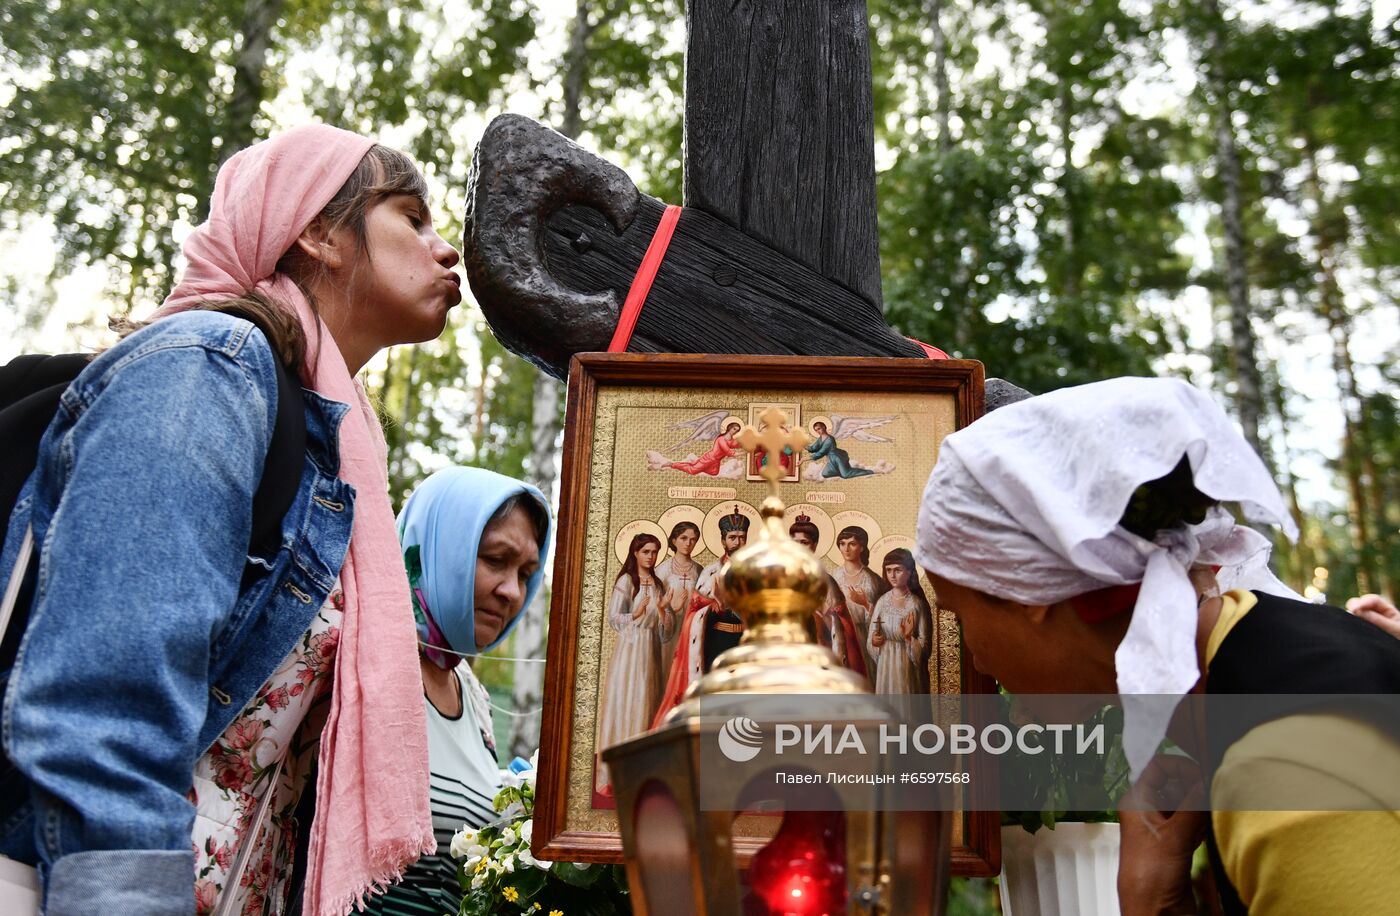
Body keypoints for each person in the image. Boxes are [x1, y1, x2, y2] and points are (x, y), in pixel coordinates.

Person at [0, 125, 460, 915]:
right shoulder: (210, 368)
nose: (444, 246)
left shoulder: (344, 449)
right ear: (318, 230)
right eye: (410, 216)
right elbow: (106, 708)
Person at [914, 376, 1400, 915]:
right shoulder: (1284, 658)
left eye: (960, 615)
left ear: (1028, 591)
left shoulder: (1289, 770)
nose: (974, 658)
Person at [362, 467, 550, 916]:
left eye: (526, 573)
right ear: (438, 550)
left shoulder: (472, 694)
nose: (513, 592)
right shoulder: (359, 659)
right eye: (495, 560)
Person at [651, 508, 749, 726]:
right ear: (723, 541)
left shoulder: (755, 573)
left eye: (742, 537)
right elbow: (694, 611)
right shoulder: (711, 572)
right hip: (717, 643)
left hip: (745, 644)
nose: (737, 542)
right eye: (732, 537)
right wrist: (714, 606)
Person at [597, 534, 669, 773]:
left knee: (647, 700)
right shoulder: (627, 581)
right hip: (629, 650)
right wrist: (635, 614)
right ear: (635, 553)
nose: (651, 556)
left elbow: (664, 631)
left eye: (654, 552)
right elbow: (614, 618)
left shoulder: (659, 585)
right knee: (629, 699)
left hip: (650, 649)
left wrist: (664, 613)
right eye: (646, 551)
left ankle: (641, 767)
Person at [788, 515, 867, 679]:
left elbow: (841, 625)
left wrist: (822, 611)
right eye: (795, 543)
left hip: (817, 650)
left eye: (804, 542)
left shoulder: (825, 582)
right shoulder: (782, 578)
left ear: (814, 545)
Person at [866, 548, 931, 694]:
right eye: (888, 570)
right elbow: (871, 637)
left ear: (909, 572)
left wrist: (908, 637)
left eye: (898, 570)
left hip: (907, 666)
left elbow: (925, 647)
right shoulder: (882, 602)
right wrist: (875, 641)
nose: (892, 575)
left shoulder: (916, 604)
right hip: (885, 665)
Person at [831, 525, 886, 672]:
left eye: (852, 544)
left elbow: (882, 620)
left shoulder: (872, 580)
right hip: (839, 637)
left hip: (863, 640)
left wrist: (864, 603)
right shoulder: (834, 576)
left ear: (861, 547)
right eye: (842, 544)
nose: (846, 549)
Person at [654, 521, 702, 666]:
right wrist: (671, 609)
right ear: (674, 540)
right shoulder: (662, 570)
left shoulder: (699, 570)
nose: (688, 543)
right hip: (668, 629)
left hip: (691, 628)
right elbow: (655, 605)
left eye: (692, 539)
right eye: (683, 538)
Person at [667, 422, 742, 476]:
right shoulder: (721, 439)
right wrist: (745, 452)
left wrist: (746, 443)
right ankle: (673, 464)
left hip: (716, 461)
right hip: (709, 458)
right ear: (729, 428)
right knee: (692, 471)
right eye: (734, 429)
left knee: (714, 473)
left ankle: (696, 464)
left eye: (737, 430)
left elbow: (735, 444)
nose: (735, 431)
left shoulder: (730, 440)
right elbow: (729, 453)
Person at [806, 420, 875, 479]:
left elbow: (821, 452)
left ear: (824, 427)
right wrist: (803, 445)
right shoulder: (820, 439)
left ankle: (868, 471)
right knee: (825, 474)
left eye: (819, 429)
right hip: (831, 459)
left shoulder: (829, 439)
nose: (818, 431)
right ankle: (841, 470)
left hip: (838, 458)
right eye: (816, 430)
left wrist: (804, 459)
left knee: (845, 475)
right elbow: (813, 448)